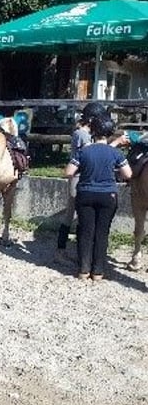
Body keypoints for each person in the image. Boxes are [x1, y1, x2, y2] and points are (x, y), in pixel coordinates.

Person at [64, 114, 131, 281]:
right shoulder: (115, 153)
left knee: (85, 231)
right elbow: (128, 174)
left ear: (93, 131)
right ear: (110, 133)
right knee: (102, 233)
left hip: (86, 193)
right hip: (108, 195)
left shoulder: (83, 151)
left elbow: (69, 172)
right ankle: (98, 272)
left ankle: (83, 270)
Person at [55, 101, 110, 262]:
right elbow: (93, 153)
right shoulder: (82, 134)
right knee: (71, 213)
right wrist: (113, 145)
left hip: (84, 176)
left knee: (79, 215)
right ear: (92, 119)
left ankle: (80, 252)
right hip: (78, 177)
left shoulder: (87, 134)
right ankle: (61, 251)